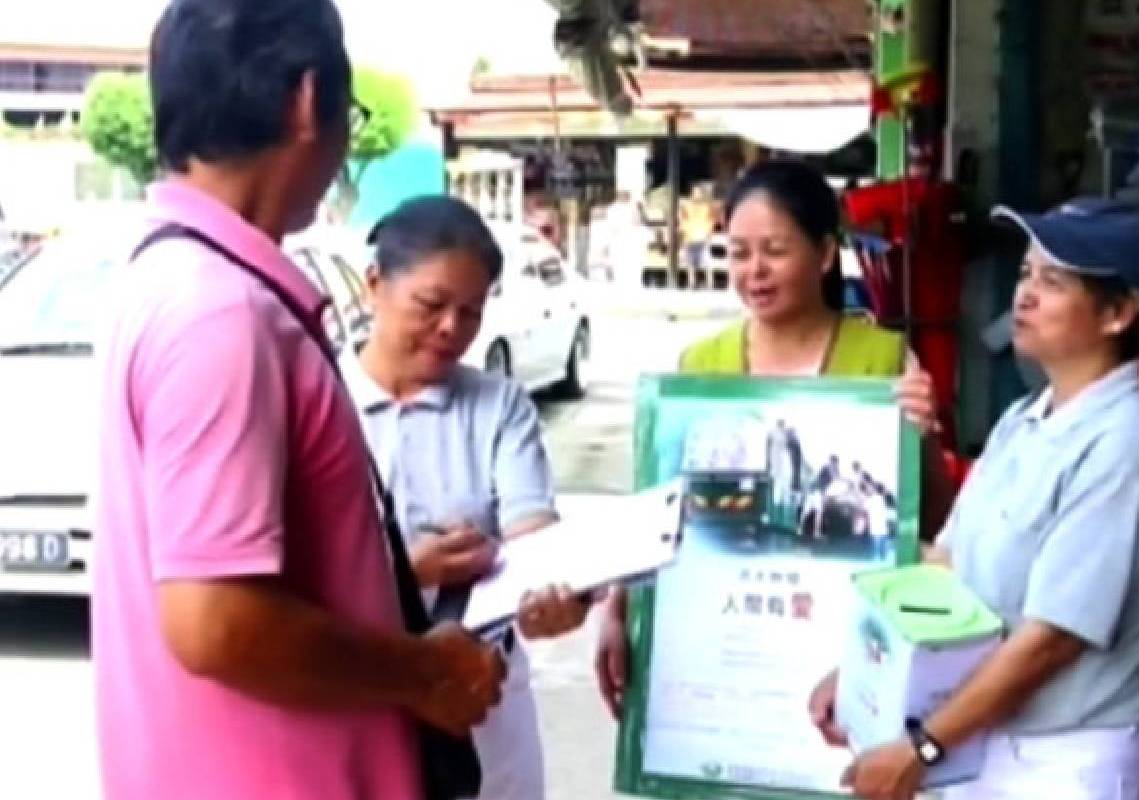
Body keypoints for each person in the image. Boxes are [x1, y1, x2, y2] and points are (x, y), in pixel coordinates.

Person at [91, 2, 503, 798]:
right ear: (308, 101)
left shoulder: (165, 279)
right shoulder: (221, 313)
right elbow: (216, 622)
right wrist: (422, 670)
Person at [811, 201, 1139, 800]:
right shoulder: (1022, 421)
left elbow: (1050, 641)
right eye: (1026, 274)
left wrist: (925, 745)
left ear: (1118, 313)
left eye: (1053, 282)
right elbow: (947, 567)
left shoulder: (1125, 445)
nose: (1026, 295)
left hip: (1062, 763)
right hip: (978, 742)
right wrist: (862, 678)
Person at [595, 159, 950, 716]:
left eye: (775, 251)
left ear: (826, 254)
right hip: (725, 652)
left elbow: (925, 523)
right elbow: (659, 511)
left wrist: (923, 437)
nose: (754, 271)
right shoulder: (701, 366)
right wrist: (617, 610)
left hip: (848, 655)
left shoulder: (882, 363)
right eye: (738, 253)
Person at [342, 195, 591, 800]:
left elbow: (535, 542)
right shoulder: (323, 399)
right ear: (375, 285)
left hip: (484, 703)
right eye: (431, 305)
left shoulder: (499, 406)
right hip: (358, 696)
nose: (452, 327)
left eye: (472, 312)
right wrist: (409, 572)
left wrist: (558, 591)